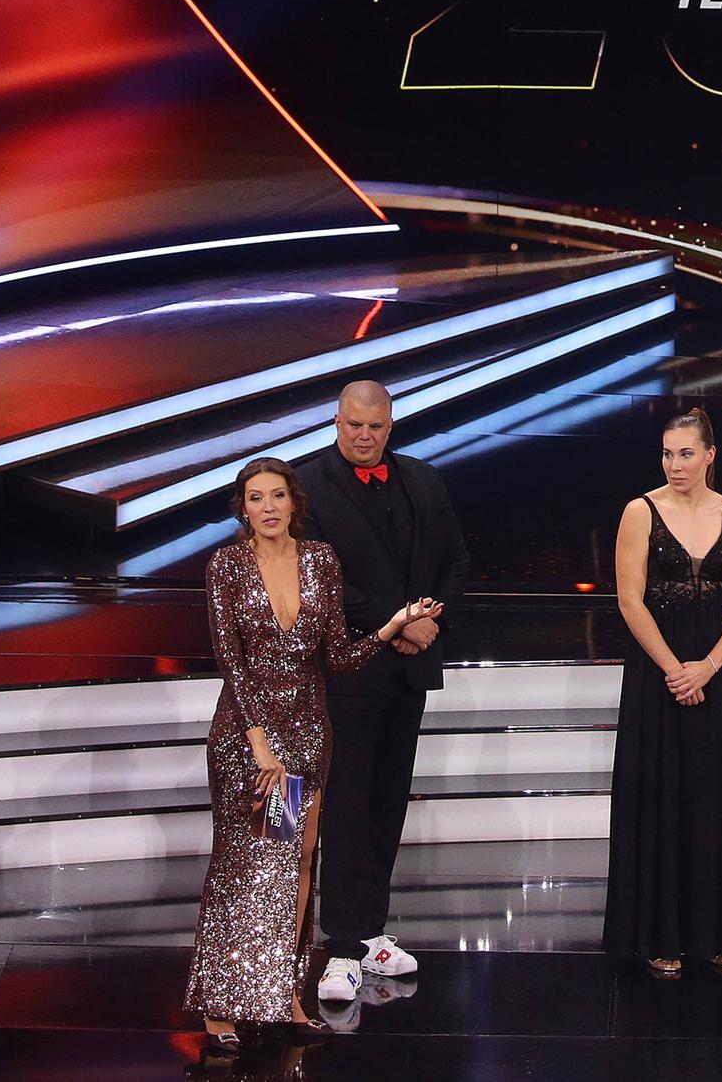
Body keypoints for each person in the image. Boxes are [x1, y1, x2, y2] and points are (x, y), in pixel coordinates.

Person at [183, 457, 437, 1053]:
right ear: (242, 508)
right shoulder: (227, 566)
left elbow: (339, 656)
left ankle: (283, 995)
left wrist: (392, 626)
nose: (268, 507)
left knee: (294, 865)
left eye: (277, 495)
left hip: (306, 739)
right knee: (245, 865)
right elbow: (234, 665)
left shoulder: (321, 561)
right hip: (249, 740)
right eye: (255, 498)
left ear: (294, 502)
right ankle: (221, 1000)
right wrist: (261, 747)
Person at [294, 381, 471, 1004]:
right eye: (351, 425)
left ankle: (369, 932)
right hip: (345, 674)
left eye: (374, 426)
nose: (362, 436)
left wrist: (431, 622)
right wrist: (396, 623)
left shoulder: (423, 481)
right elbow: (319, 581)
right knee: (344, 803)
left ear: (390, 425)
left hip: (408, 672)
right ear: (336, 422)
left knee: (387, 800)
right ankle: (339, 946)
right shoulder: (307, 487)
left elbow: (454, 562)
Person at [603, 407, 722, 975]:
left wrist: (708, 667)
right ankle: (661, 935)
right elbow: (629, 600)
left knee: (716, 796)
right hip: (658, 672)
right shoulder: (639, 511)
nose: (675, 464)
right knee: (662, 796)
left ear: (710, 455)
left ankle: (721, 932)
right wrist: (677, 669)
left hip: (719, 673)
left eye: (686, 453)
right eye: (668, 453)